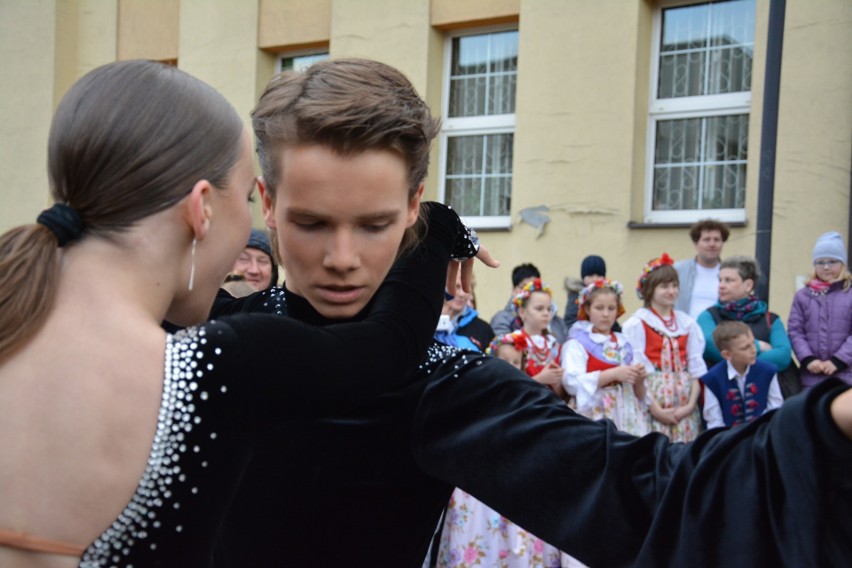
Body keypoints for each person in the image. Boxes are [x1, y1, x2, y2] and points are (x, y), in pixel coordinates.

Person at [212, 59, 852, 568]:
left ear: (412, 207)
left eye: (375, 224)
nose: (343, 258)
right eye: (312, 222)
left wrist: (830, 426)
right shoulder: (207, 336)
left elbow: (643, 489)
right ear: (267, 202)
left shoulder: (435, 383)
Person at [0, 60, 482, 567]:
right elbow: (388, 346)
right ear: (201, 207)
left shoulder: (19, 322)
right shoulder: (209, 367)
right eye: (251, 197)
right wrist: (434, 229)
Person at [622, 254, 706, 442]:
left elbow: (695, 370)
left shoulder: (687, 323)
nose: (671, 291)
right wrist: (656, 409)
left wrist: (690, 405)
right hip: (652, 403)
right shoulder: (638, 324)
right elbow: (636, 374)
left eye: (674, 285)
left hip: (684, 405)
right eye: (664, 286)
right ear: (650, 290)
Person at [561, 278, 650, 436]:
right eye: (599, 308)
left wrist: (639, 378)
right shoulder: (578, 343)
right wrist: (613, 374)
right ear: (587, 309)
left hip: (626, 412)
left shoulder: (625, 342)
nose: (605, 314)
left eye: (611, 308)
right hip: (595, 413)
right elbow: (571, 382)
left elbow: (641, 393)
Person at [696, 256, 795, 395]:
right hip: (723, 394)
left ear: (748, 285)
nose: (721, 285)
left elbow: (783, 356)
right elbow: (711, 344)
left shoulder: (770, 319)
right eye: (720, 280)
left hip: (766, 394)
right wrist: (756, 346)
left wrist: (737, 362)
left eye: (729, 280)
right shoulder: (708, 316)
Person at [788, 231, 852, 389]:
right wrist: (808, 359)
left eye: (832, 261)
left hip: (846, 375)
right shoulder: (803, 296)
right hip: (811, 376)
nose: (826, 267)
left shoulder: (849, 294)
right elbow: (795, 330)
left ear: (842, 264)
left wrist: (839, 360)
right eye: (820, 262)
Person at [701, 321, 784, 428]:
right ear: (727, 354)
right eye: (745, 348)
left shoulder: (768, 371)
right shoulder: (713, 378)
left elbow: (775, 407)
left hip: (762, 435)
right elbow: (714, 421)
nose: (754, 350)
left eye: (753, 343)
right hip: (729, 439)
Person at [491, 263, 570, 343]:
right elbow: (504, 351)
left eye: (534, 287)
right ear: (514, 290)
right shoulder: (502, 320)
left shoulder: (558, 322)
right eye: (525, 287)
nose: (530, 292)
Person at [674, 219, 730, 319]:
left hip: (719, 332)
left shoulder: (730, 273)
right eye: (706, 240)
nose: (712, 244)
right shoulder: (678, 270)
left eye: (717, 240)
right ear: (696, 243)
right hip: (684, 332)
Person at [434, 270, 494, 352]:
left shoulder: (483, 328)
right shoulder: (427, 322)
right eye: (457, 287)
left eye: (466, 288)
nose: (462, 294)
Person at [563, 254, 620, 333]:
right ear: (583, 277)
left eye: (599, 275)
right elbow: (570, 321)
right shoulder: (576, 296)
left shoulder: (607, 296)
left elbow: (613, 324)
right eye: (590, 275)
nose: (595, 279)